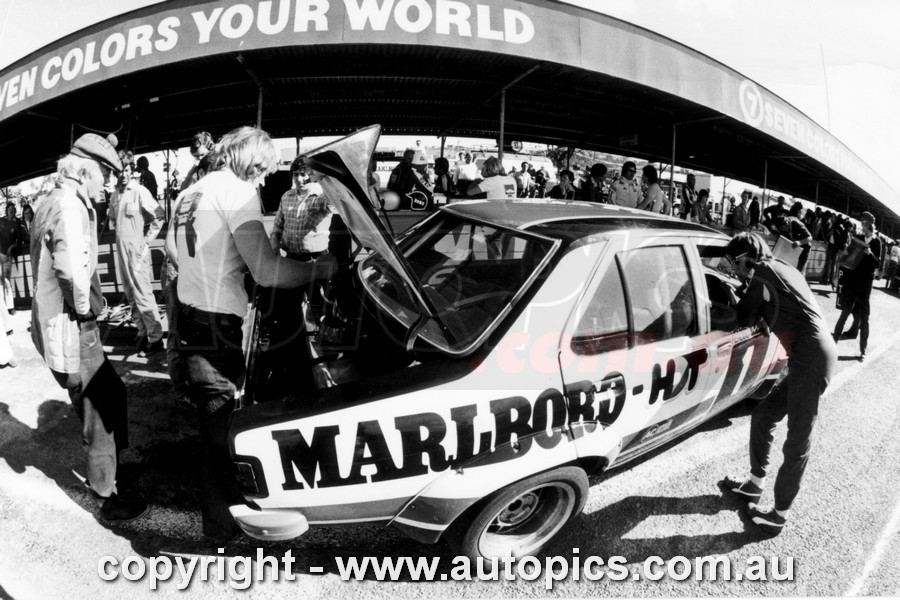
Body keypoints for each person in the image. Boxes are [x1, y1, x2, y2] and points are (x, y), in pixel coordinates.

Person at [167, 125, 337, 541]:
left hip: (188, 313)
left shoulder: (190, 191)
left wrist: (218, 267)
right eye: (262, 171)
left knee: (212, 417)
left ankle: (218, 513)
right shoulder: (236, 192)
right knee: (220, 424)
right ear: (249, 161)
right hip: (214, 319)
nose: (263, 181)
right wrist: (321, 269)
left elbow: (172, 250)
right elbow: (268, 270)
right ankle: (222, 527)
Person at [30, 133, 149, 522]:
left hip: (59, 322)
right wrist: (87, 309)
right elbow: (69, 270)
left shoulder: (53, 199)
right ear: (84, 172)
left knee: (112, 394)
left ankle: (113, 467)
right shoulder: (69, 205)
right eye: (104, 176)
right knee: (98, 410)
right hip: (72, 325)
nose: (108, 185)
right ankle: (105, 494)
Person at [720, 232, 836, 534]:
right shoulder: (779, 267)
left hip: (810, 356)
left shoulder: (763, 273)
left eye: (734, 263)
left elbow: (740, 316)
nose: (733, 269)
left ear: (746, 258)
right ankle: (755, 485)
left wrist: (724, 296)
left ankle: (778, 515)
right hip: (810, 352)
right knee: (764, 414)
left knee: (797, 440)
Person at [107, 163, 166, 355]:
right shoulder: (115, 195)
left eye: (125, 171)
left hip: (136, 249)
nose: (122, 175)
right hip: (121, 248)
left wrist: (146, 241)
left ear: (131, 172)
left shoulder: (140, 191)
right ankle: (142, 332)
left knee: (142, 293)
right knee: (130, 293)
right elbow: (113, 219)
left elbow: (159, 215)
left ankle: (156, 338)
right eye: (119, 171)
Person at [832, 212, 881, 360]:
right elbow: (847, 261)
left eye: (864, 223)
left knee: (864, 318)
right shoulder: (858, 238)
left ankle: (862, 350)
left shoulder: (876, 242)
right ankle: (832, 345)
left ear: (869, 225)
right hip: (853, 283)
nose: (861, 225)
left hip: (865, 286)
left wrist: (870, 253)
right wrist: (846, 253)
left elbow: (877, 263)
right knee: (844, 313)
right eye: (862, 223)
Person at [774, 202, 813, 273]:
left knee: (799, 270)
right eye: (781, 229)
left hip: (805, 247)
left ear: (787, 223)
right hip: (794, 245)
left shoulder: (797, 223)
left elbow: (810, 238)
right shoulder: (782, 223)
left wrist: (800, 242)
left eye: (784, 228)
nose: (783, 230)